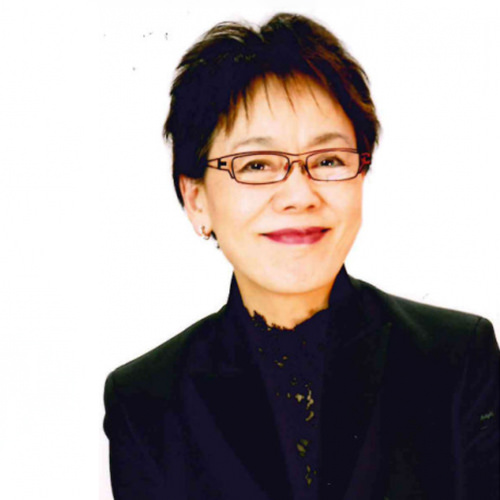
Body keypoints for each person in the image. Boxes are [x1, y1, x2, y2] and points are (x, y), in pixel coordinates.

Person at [103, 12, 499, 500]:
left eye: (328, 160)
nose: (298, 195)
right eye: (256, 164)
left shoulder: (456, 359)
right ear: (196, 199)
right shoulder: (145, 400)